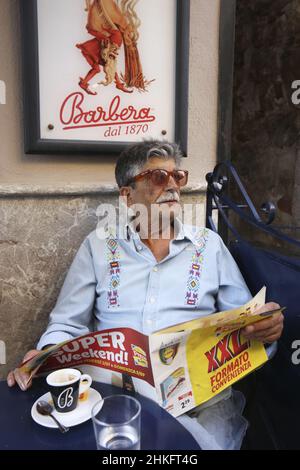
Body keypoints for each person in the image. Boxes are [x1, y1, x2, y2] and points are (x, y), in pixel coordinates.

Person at [7, 140, 284, 450]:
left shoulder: (210, 246)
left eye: (177, 177)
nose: (173, 186)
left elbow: (246, 326)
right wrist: (45, 356)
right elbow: (66, 325)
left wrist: (266, 331)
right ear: (128, 195)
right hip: (114, 400)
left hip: (197, 404)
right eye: (158, 177)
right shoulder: (98, 246)